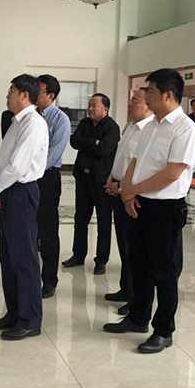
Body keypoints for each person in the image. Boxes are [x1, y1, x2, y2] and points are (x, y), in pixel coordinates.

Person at [104, 68, 195, 354]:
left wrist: (132, 190)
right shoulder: (151, 126)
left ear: (168, 95)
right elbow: (135, 161)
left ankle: (163, 330)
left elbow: (171, 174)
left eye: (150, 91)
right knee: (139, 265)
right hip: (139, 203)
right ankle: (138, 317)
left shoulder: (185, 130)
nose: (145, 96)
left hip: (165, 209)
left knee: (164, 272)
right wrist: (128, 192)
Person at [0, 74, 48, 340]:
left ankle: (30, 320)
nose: (7, 94)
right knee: (9, 257)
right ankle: (14, 313)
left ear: (24, 95)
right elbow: (4, 161)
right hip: (9, 190)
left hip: (21, 192)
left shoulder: (34, 123)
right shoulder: (16, 122)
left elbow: (18, 166)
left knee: (24, 259)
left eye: (11, 90)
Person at [104, 88, 154, 315]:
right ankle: (126, 289)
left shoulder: (148, 131)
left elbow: (141, 167)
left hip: (131, 194)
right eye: (131, 100)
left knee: (134, 249)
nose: (130, 104)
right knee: (124, 245)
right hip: (118, 188)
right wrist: (111, 177)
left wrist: (122, 186)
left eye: (136, 101)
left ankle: (135, 296)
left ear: (149, 105)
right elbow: (121, 156)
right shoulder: (131, 126)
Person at [62, 94, 119, 275]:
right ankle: (78, 255)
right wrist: (93, 141)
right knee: (80, 219)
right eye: (89, 105)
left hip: (102, 181)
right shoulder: (85, 123)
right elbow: (74, 141)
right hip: (83, 178)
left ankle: (101, 260)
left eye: (95, 105)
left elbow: (103, 149)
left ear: (105, 109)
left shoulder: (112, 127)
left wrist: (88, 144)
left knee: (103, 222)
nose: (90, 108)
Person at [35, 74, 71, 299]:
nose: (34, 94)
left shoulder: (60, 119)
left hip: (47, 178)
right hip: (27, 178)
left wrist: (29, 169)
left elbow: (52, 154)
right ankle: (29, 277)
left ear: (51, 95)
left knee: (48, 231)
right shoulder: (30, 115)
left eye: (39, 91)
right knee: (30, 229)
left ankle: (49, 280)